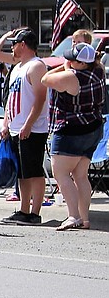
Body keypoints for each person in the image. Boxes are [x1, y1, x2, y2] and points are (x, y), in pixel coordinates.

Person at [41, 42, 104, 231]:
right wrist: (70, 64)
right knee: (80, 175)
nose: (68, 61)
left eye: (72, 59)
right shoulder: (98, 71)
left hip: (70, 130)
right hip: (93, 128)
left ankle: (73, 215)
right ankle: (84, 218)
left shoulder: (71, 77)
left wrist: (63, 66)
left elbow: (45, 79)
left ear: (82, 63)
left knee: (61, 173)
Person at [0, 27, 49, 224]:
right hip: (15, 127)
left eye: (14, 43)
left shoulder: (36, 66)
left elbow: (40, 99)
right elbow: (10, 100)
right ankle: (24, 209)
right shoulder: (17, 67)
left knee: (34, 171)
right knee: (22, 173)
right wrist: (7, 123)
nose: (12, 48)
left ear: (23, 45)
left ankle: (35, 212)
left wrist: (28, 124)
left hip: (32, 129)